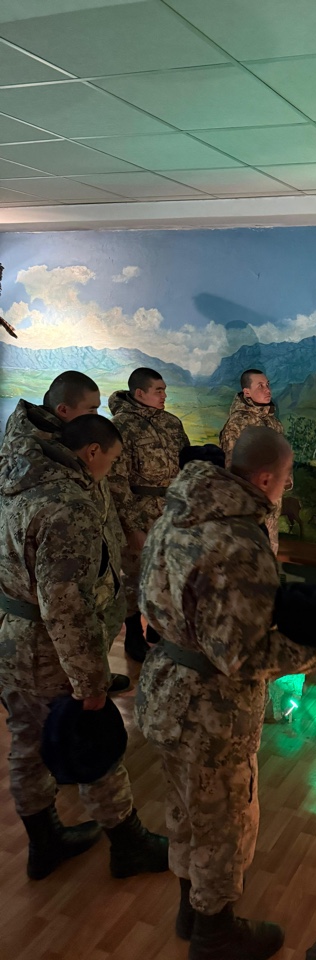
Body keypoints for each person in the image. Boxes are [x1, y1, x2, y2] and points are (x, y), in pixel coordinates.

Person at [135, 427, 316, 960]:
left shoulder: (180, 510)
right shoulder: (238, 541)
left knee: (184, 807)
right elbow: (240, 656)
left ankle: (191, 909)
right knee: (223, 822)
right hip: (210, 711)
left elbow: (148, 595)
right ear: (264, 479)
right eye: (285, 477)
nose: (286, 487)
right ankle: (215, 936)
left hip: (163, 689)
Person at [0, 415, 168, 880]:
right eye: (111, 461)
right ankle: (129, 845)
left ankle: (44, 841)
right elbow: (66, 607)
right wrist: (91, 681)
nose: (109, 472)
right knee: (91, 743)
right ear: (92, 452)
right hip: (50, 649)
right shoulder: (68, 506)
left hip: (12, 638)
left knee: (27, 743)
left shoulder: (17, 478)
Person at [1, 371, 129, 693]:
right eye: (92, 409)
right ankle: (86, 677)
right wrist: (88, 681)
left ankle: (91, 672)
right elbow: (63, 602)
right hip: (43, 639)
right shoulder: (44, 464)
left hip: (70, 613)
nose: (98, 415)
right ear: (63, 410)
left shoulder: (64, 450)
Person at [108, 367, 189, 664]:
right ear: (140, 393)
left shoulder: (171, 423)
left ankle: (159, 627)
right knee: (135, 577)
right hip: (139, 512)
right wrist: (132, 527)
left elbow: (186, 464)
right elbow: (116, 481)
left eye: (165, 390)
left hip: (171, 512)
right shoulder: (120, 427)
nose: (164, 395)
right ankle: (133, 632)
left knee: (169, 572)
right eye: (159, 390)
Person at [219, 369, 285, 553]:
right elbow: (232, 470)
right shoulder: (237, 424)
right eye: (260, 386)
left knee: (270, 553)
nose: (267, 390)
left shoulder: (273, 422)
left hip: (272, 506)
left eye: (268, 385)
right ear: (247, 392)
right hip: (250, 509)